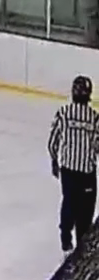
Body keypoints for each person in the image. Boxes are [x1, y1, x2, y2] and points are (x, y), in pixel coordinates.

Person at [49, 76, 99, 254]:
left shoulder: (63, 112)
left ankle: (66, 240)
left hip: (68, 170)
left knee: (69, 202)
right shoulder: (94, 118)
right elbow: (98, 145)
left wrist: (55, 161)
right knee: (86, 210)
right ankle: (81, 245)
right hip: (87, 172)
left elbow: (53, 141)